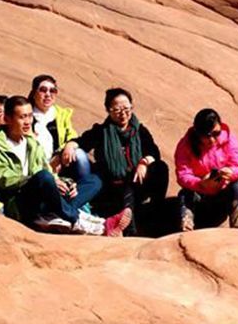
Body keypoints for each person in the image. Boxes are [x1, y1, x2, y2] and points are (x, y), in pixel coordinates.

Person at [0, 96, 131, 235]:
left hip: (46, 198)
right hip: (20, 203)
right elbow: (5, 179)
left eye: (30, 116)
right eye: (22, 117)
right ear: (7, 119)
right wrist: (42, 180)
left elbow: (47, 170)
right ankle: (88, 221)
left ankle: (59, 215)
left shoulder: (32, 142)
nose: (28, 122)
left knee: (94, 181)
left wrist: (66, 183)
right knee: (43, 177)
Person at [66, 88, 168, 235]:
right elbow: (83, 141)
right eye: (117, 110)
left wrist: (144, 162)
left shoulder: (140, 130)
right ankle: (129, 230)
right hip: (112, 186)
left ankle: (156, 212)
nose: (123, 114)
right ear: (108, 110)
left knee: (160, 168)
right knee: (126, 186)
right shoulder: (102, 131)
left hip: (137, 182)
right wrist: (70, 145)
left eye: (127, 109)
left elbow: (153, 152)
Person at [174, 108, 238, 230]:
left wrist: (230, 173)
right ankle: (186, 228)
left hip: (221, 196)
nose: (212, 139)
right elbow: (183, 175)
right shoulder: (185, 145)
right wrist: (201, 184)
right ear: (198, 133)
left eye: (216, 133)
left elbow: (237, 166)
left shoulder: (229, 140)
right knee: (185, 194)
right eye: (207, 135)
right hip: (200, 197)